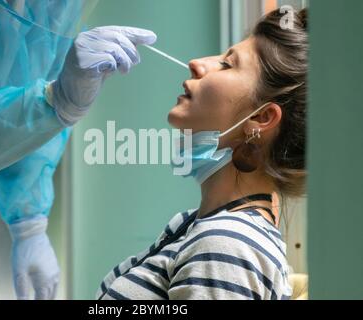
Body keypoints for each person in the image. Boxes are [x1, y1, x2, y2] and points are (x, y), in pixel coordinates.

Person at [0, 0, 156, 299]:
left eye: (227, 63)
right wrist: (53, 102)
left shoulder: (52, 7)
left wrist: (29, 222)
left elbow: (10, 96)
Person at [97, 8, 308, 300]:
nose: (196, 63)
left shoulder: (225, 245)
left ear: (260, 119)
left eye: (226, 64)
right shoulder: (195, 225)